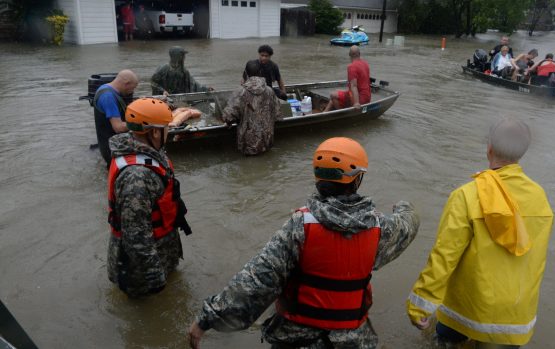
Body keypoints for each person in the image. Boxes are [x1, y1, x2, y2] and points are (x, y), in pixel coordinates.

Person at [188, 137, 420, 349]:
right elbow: (409, 225)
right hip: (354, 342)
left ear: (318, 178)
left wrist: (206, 319)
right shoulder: (380, 228)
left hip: (297, 340)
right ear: (357, 179)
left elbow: (256, 281)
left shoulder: (299, 226)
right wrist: (404, 207)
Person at [406, 118, 554, 348]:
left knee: (444, 337)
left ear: (489, 148)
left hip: (467, 310)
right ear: (521, 154)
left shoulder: (466, 195)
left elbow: (445, 256)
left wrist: (420, 304)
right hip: (515, 316)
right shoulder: (540, 198)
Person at [107, 97, 193, 298]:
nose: (168, 132)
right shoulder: (137, 176)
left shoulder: (146, 148)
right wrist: (154, 277)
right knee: (149, 308)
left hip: (163, 248)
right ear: (154, 132)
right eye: (166, 128)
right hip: (140, 271)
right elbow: (136, 236)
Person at [222, 60, 283, 156]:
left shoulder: (240, 92)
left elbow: (228, 116)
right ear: (260, 72)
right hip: (266, 141)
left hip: (248, 144)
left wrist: (229, 122)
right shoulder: (270, 91)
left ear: (246, 73)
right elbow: (278, 114)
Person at [93, 69, 138, 167]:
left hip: (110, 144)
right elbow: (118, 127)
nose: (132, 91)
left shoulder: (107, 89)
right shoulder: (108, 97)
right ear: (126, 84)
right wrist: (141, 123)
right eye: (132, 88)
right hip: (112, 148)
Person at [324, 45, 371, 112]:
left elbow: (354, 86)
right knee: (335, 95)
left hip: (360, 99)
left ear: (349, 55)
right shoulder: (365, 64)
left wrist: (356, 103)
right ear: (359, 54)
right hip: (367, 97)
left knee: (333, 95)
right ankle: (325, 113)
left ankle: (342, 114)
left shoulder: (352, 67)